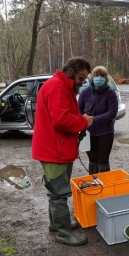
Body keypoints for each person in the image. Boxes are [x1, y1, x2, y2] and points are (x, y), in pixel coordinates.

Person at [32, 57, 93, 246]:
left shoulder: (62, 86)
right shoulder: (57, 87)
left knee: (55, 189)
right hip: (54, 150)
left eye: (84, 78)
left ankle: (56, 224)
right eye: (81, 77)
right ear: (71, 71)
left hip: (58, 148)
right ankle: (64, 233)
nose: (83, 81)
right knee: (58, 192)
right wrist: (84, 121)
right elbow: (62, 120)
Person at [78, 66, 118, 174]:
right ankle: (94, 184)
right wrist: (83, 118)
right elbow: (78, 108)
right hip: (88, 133)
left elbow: (112, 113)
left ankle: (105, 186)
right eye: (96, 76)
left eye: (102, 76)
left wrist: (93, 119)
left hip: (105, 133)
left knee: (103, 160)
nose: (99, 78)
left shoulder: (111, 94)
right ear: (92, 77)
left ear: (106, 78)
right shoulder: (85, 92)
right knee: (92, 160)